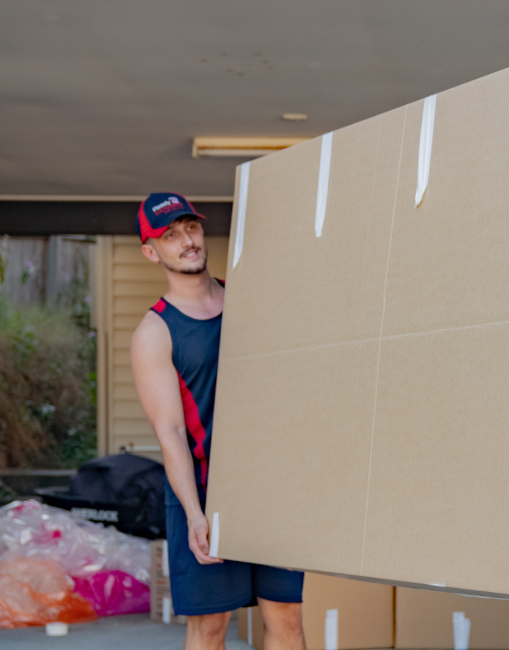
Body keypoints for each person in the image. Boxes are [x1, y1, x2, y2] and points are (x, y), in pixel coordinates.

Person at [131, 193, 306, 650]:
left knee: (286, 615)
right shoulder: (154, 332)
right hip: (204, 490)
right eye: (169, 235)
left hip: (270, 482)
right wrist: (193, 513)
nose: (186, 241)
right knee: (210, 626)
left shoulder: (250, 302)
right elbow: (169, 431)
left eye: (190, 227)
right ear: (152, 252)